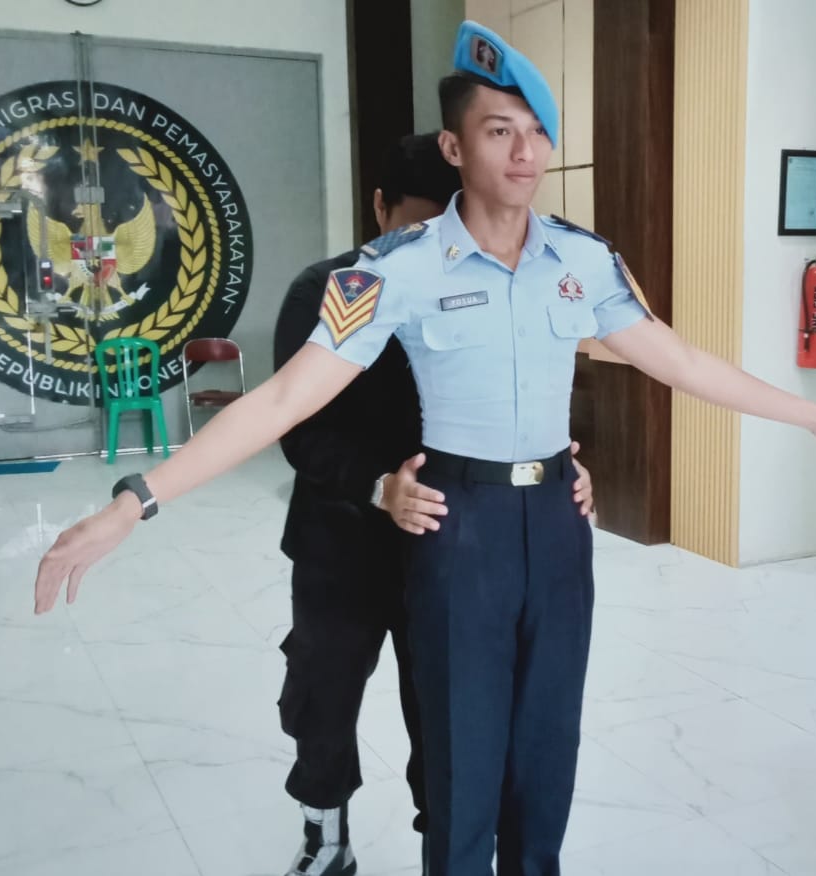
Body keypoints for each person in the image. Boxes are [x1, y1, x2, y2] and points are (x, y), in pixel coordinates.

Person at [34, 20, 816, 876]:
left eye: (536, 132)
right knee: (459, 763)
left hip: (556, 522)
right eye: (499, 131)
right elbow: (283, 401)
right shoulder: (393, 269)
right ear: (453, 147)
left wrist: (815, 418)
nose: (525, 153)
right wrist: (135, 502)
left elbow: (679, 361)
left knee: (547, 754)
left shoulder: (583, 260)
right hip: (461, 527)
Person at [272, 132, 594, 876]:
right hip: (343, 542)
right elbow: (298, 428)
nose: (432, 240)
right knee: (323, 695)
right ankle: (325, 834)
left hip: (453, 545)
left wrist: (557, 466)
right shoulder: (334, 288)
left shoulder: (487, 279)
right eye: (415, 222)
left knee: (451, 718)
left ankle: (446, 843)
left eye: (446, 220)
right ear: (378, 207)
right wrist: (378, 485)